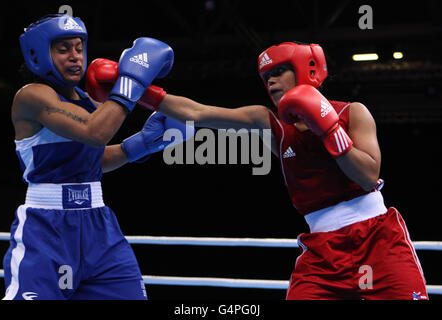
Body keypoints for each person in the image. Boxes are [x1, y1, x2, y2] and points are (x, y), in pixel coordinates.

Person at [87, 42, 428, 300]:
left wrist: (328, 131)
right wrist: (134, 87)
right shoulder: (271, 122)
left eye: (279, 71)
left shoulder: (352, 113)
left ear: (305, 69)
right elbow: (199, 112)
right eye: (266, 77)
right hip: (322, 253)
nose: (272, 82)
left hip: (378, 241)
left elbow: (368, 176)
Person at [2, 13, 183, 300]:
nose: (75, 56)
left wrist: (143, 144)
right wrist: (132, 80)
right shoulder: (32, 96)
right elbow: (93, 132)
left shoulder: (86, 100)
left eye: (79, 47)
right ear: (39, 54)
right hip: (46, 227)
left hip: (99, 226)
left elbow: (94, 158)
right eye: (63, 49)